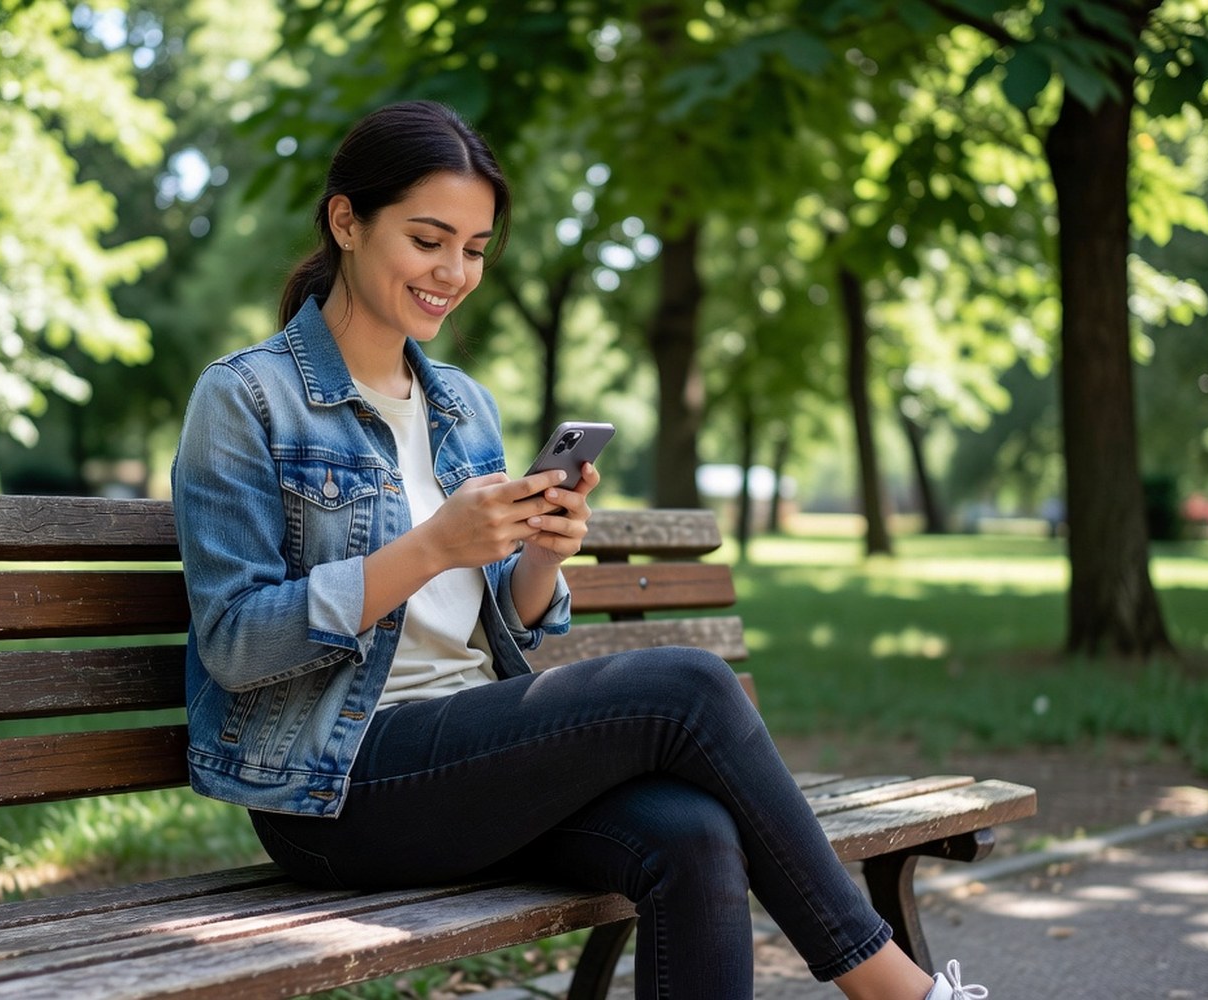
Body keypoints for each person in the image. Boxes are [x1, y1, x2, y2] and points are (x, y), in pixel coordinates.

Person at [172, 100, 987, 1000]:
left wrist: (540, 558)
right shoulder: (246, 398)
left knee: (694, 836)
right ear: (346, 221)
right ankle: (898, 990)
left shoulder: (461, 407)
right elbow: (236, 642)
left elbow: (497, 623)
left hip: (470, 755)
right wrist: (433, 547)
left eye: (474, 248)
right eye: (428, 240)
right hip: (334, 784)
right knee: (688, 686)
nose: (453, 272)